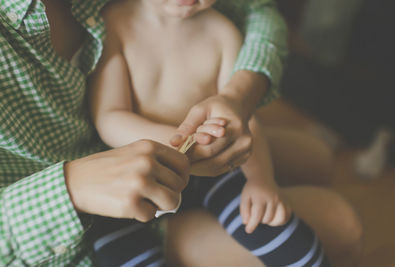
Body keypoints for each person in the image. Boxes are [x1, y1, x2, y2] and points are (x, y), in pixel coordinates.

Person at [0, 0, 362, 267]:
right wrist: (179, 140)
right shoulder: (112, 24)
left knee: (289, 237)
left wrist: (261, 182)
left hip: (217, 166)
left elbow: (244, 120)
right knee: (120, 253)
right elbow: (110, 117)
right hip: (132, 174)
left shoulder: (222, 31)